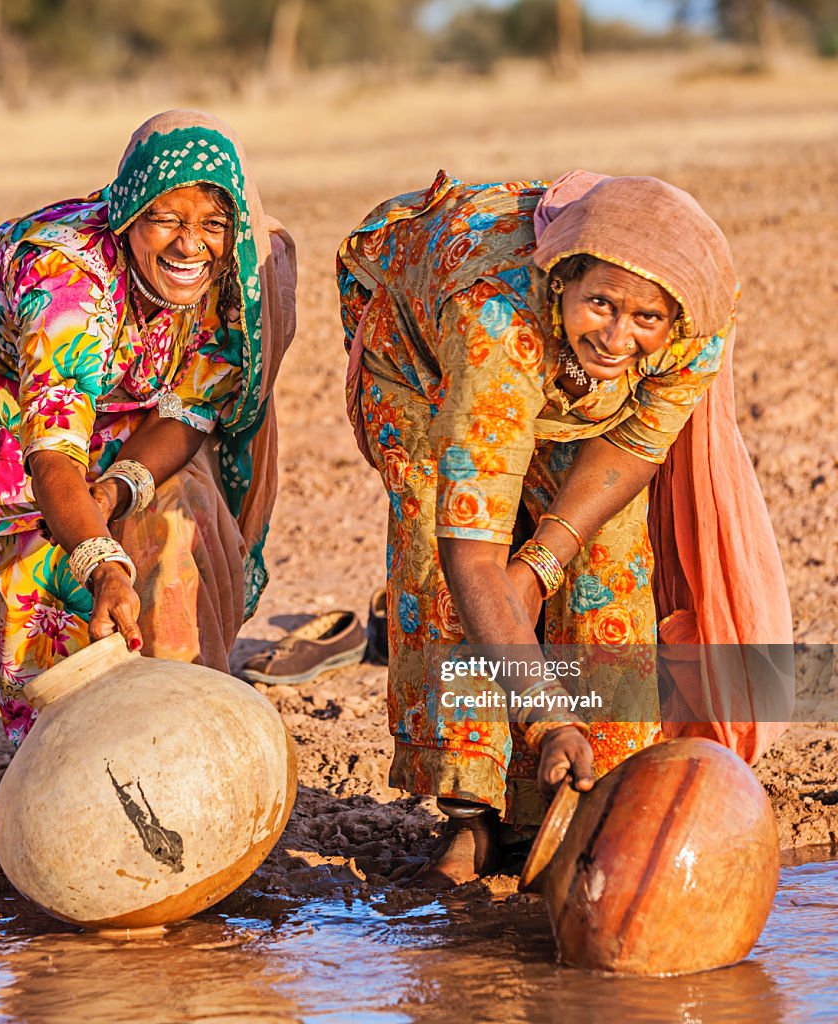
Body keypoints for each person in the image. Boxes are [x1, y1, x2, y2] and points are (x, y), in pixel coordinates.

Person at [338, 169, 792, 886]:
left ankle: (591, 789)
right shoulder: (496, 320)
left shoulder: (702, 313)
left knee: (607, 556)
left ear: (676, 321)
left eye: (645, 320)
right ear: (562, 283)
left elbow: (637, 441)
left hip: (575, 397)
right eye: (601, 304)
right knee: (444, 565)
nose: (617, 335)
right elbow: (470, 551)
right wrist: (547, 715)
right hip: (422, 362)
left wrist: (541, 563)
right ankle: (473, 819)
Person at [0, 109, 296, 746]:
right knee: (49, 575)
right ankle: (65, 761)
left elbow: (188, 411)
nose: (190, 245)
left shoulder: (236, 279)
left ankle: (173, 729)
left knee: (169, 522)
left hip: (117, 383)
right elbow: (53, 458)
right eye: (166, 219)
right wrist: (100, 563)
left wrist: (113, 491)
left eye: (212, 225)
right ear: (130, 214)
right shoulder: (69, 286)